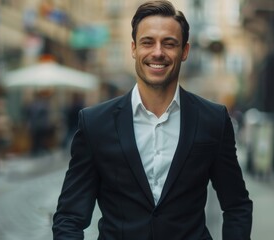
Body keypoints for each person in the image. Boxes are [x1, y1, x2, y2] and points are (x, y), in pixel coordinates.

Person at [52, 1, 253, 239]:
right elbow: (69, 217)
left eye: (169, 43)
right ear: (134, 48)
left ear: (185, 51)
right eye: (148, 42)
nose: (158, 52)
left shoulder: (213, 120)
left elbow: (236, 205)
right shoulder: (95, 123)